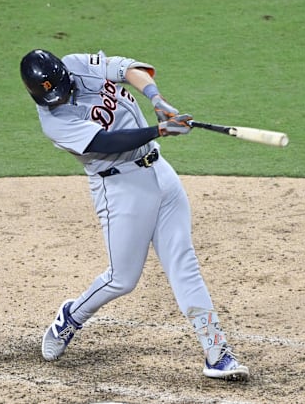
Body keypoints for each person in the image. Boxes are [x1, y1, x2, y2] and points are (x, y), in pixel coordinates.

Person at [19, 49, 249, 381]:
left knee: (184, 264)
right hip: (121, 190)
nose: (59, 98)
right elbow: (107, 142)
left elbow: (129, 69)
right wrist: (160, 130)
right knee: (121, 279)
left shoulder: (77, 66)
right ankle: (71, 317)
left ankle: (217, 353)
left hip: (161, 172)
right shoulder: (54, 122)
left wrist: (157, 100)